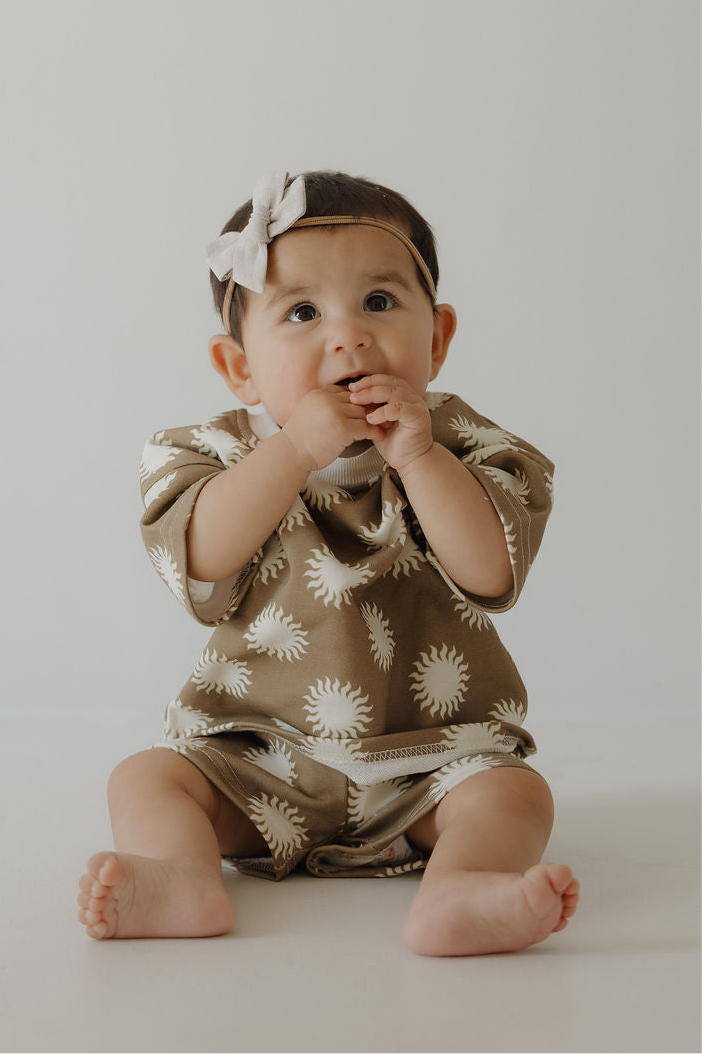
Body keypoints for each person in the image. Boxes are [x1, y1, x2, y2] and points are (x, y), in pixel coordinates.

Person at [77, 170, 579, 955]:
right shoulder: (215, 454)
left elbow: (492, 572)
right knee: (146, 777)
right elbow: (202, 564)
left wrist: (418, 457)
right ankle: (181, 877)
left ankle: (461, 888)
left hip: (431, 765)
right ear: (239, 365)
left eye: (379, 302)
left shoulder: (466, 449)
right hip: (259, 763)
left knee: (515, 795)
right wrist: (293, 451)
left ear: (438, 338)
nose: (347, 336)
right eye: (303, 312)